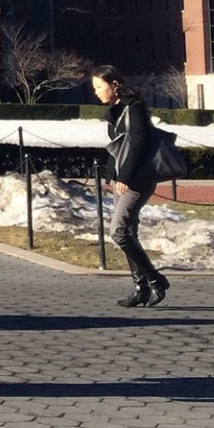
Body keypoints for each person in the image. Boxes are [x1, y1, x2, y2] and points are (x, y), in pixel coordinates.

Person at [94, 64, 170, 308]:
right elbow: (117, 148)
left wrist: (124, 178)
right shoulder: (117, 110)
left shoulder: (133, 107)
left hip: (137, 180)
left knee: (119, 231)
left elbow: (138, 145)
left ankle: (156, 279)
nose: (96, 92)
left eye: (99, 86)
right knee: (129, 233)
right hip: (122, 180)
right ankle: (141, 289)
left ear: (113, 85)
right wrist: (112, 177)